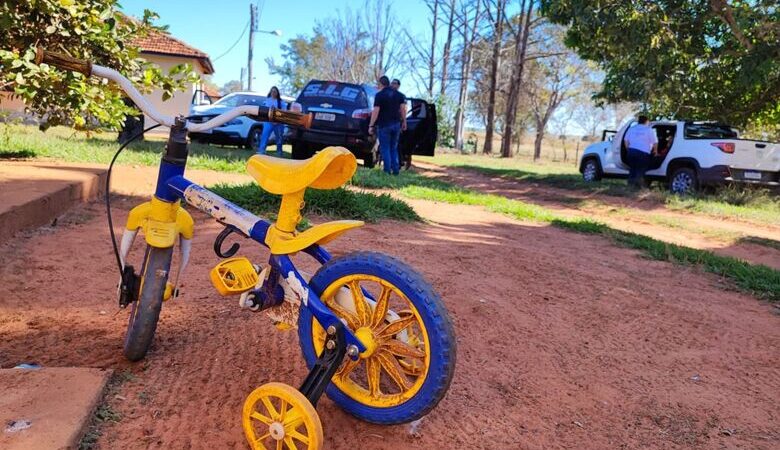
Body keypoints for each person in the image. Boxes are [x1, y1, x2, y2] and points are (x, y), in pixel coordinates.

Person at [369, 76, 406, 175]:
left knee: (385, 148)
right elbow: (403, 109)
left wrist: (371, 125)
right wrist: (404, 122)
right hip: (396, 125)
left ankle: (387, 170)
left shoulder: (379, 95)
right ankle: (396, 170)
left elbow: (376, 111)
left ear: (381, 84)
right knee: (393, 148)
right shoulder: (399, 95)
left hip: (384, 125)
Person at [623, 115, 657, 188]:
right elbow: (655, 142)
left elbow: (626, 140)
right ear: (646, 121)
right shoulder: (649, 130)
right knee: (640, 169)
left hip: (631, 151)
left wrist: (628, 150)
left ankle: (630, 186)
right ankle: (637, 187)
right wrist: (655, 151)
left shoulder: (632, 129)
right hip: (643, 153)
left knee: (632, 169)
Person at [257, 86, 287, 156]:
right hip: (268, 122)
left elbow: (284, 112)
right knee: (265, 135)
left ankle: (279, 152)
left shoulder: (281, 102)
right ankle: (261, 151)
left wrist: (277, 121)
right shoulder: (267, 100)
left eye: (275, 91)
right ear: (270, 92)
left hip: (279, 123)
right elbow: (264, 111)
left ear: (277, 93)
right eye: (272, 91)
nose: (273, 93)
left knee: (279, 137)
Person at [391, 78, 413, 170]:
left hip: (397, 123)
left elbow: (404, 109)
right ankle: (393, 163)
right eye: (392, 83)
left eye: (395, 83)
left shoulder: (401, 96)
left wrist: (404, 121)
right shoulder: (387, 95)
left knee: (397, 144)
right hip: (388, 122)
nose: (393, 85)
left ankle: (399, 162)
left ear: (398, 86)